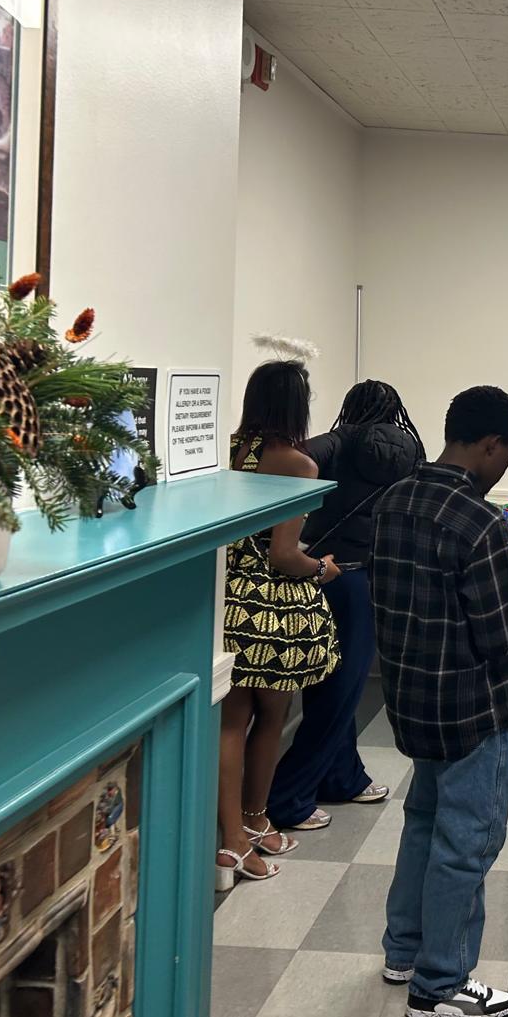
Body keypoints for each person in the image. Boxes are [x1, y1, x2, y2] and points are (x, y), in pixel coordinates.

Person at [371, 385, 508, 1017]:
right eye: (507, 455)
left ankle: (404, 952)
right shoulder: (479, 522)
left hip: (413, 702)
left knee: (423, 822)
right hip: (474, 708)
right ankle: (440, 985)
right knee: (467, 841)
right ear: (493, 444)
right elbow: (505, 633)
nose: (504, 468)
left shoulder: (392, 501)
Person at [266, 381, 423, 832]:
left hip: (323, 572)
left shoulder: (335, 442)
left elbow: (289, 462)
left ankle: (306, 790)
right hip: (368, 577)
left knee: (330, 689)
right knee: (343, 689)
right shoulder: (410, 448)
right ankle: (318, 787)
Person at [216, 360, 339, 891]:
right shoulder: (297, 464)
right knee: (272, 716)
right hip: (273, 608)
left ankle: (233, 839)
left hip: (227, 600)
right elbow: (285, 555)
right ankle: (251, 824)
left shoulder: (227, 452)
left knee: (231, 721)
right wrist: (322, 569)